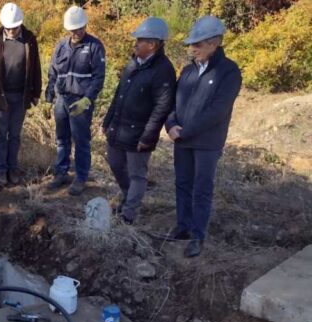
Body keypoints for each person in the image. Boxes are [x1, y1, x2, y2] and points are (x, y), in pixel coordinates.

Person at [165, 16, 242, 257]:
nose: (193, 48)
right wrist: (171, 125)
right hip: (182, 140)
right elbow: (173, 103)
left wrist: (185, 131)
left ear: (215, 43)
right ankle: (183, 226)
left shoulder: (228, 72)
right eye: (192, 44)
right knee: (182, 184)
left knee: (202, 188)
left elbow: (216, 112)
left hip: (207, 143)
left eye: (198, 44)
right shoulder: (187, 71)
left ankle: (198, 235)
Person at [102, 17, 176, 224]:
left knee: (137, 174)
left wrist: (148, 136)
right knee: (116, 164)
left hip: (140, 133)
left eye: (139, 41)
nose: (135, 44)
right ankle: (127, 197)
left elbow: (162, 107)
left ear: (152, 44)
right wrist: (108, 121)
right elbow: (119, 94)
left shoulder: (163, 70)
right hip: (119, 128)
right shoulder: (134, 63)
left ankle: (129, 214)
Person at [45, 5, 106, 196]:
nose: (76, 32)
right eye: (72, 29)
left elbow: (98, 77)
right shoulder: (61, 46)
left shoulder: (94, 47)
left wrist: (87, 99)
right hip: (62, 100)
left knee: (81, 141)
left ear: (85, 25)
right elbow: (53, 71)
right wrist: (49, 96)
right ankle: (61, 173)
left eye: (79, 28)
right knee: (61, 139)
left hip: (81, 101)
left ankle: (80, 178)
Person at [0, 2, 42, 186]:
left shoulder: (30, 40)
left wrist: (36, 92)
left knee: (15, 135)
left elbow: (36, 68)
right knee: (1, 134)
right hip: (1, 97)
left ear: (20, 24)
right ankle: (1, 169)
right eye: (8, 28)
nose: (12, 31)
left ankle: (13, 168)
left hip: (21, 96)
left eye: (15, 28)